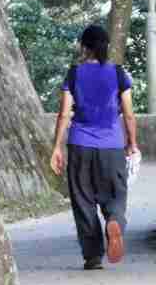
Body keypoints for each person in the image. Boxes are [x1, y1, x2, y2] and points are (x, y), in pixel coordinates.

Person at [50, 24, 138, 270]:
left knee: (83, 200)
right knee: (116, 193)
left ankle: (93, 256)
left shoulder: (74, 74)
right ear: (106, 46)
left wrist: (57, 147)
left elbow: (64, 114)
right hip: (112, 145)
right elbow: (129, 115)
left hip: (79, 144)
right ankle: (114, 220)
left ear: (83, 46)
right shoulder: (119, 74)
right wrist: (132, 143)